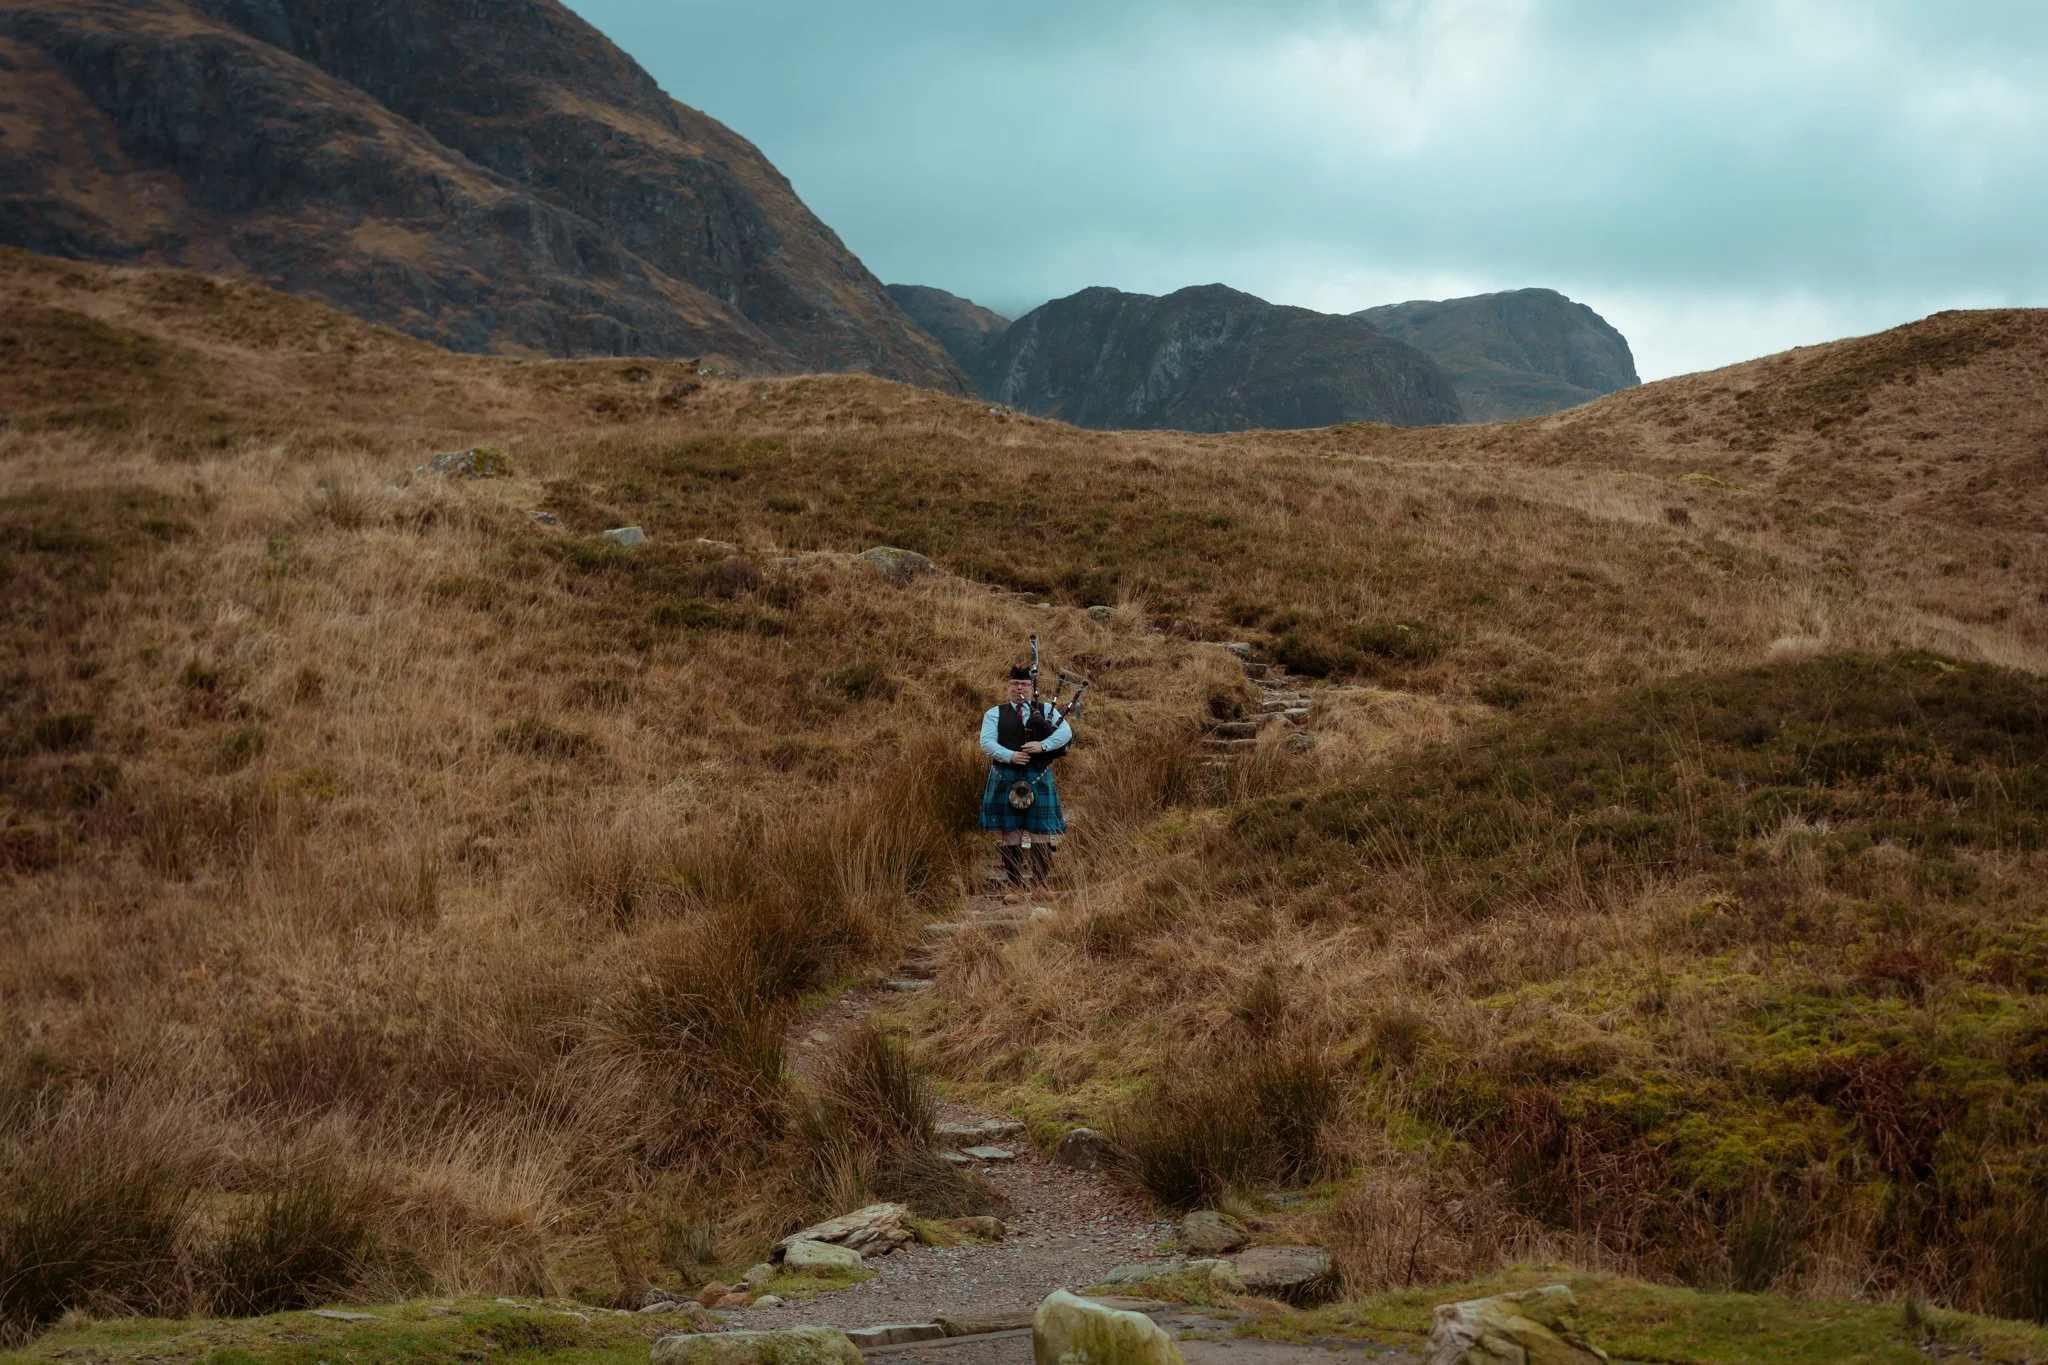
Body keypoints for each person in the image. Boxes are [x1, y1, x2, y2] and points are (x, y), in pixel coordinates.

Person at [978, 665, 1072, 890]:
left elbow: (1066, 733)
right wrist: (1010, 756)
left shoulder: (1047, 710)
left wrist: (1043, 745)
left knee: (1040, 832)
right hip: (1005, 775)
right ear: (1008, 686)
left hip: (1037, 775)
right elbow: (986, 742)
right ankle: (1015, 887)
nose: (1019, 688)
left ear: (1031, 687)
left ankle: (1040, 886)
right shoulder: (994, 713)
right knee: (1010, 833)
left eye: (1024, 684)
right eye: (1014, 684)